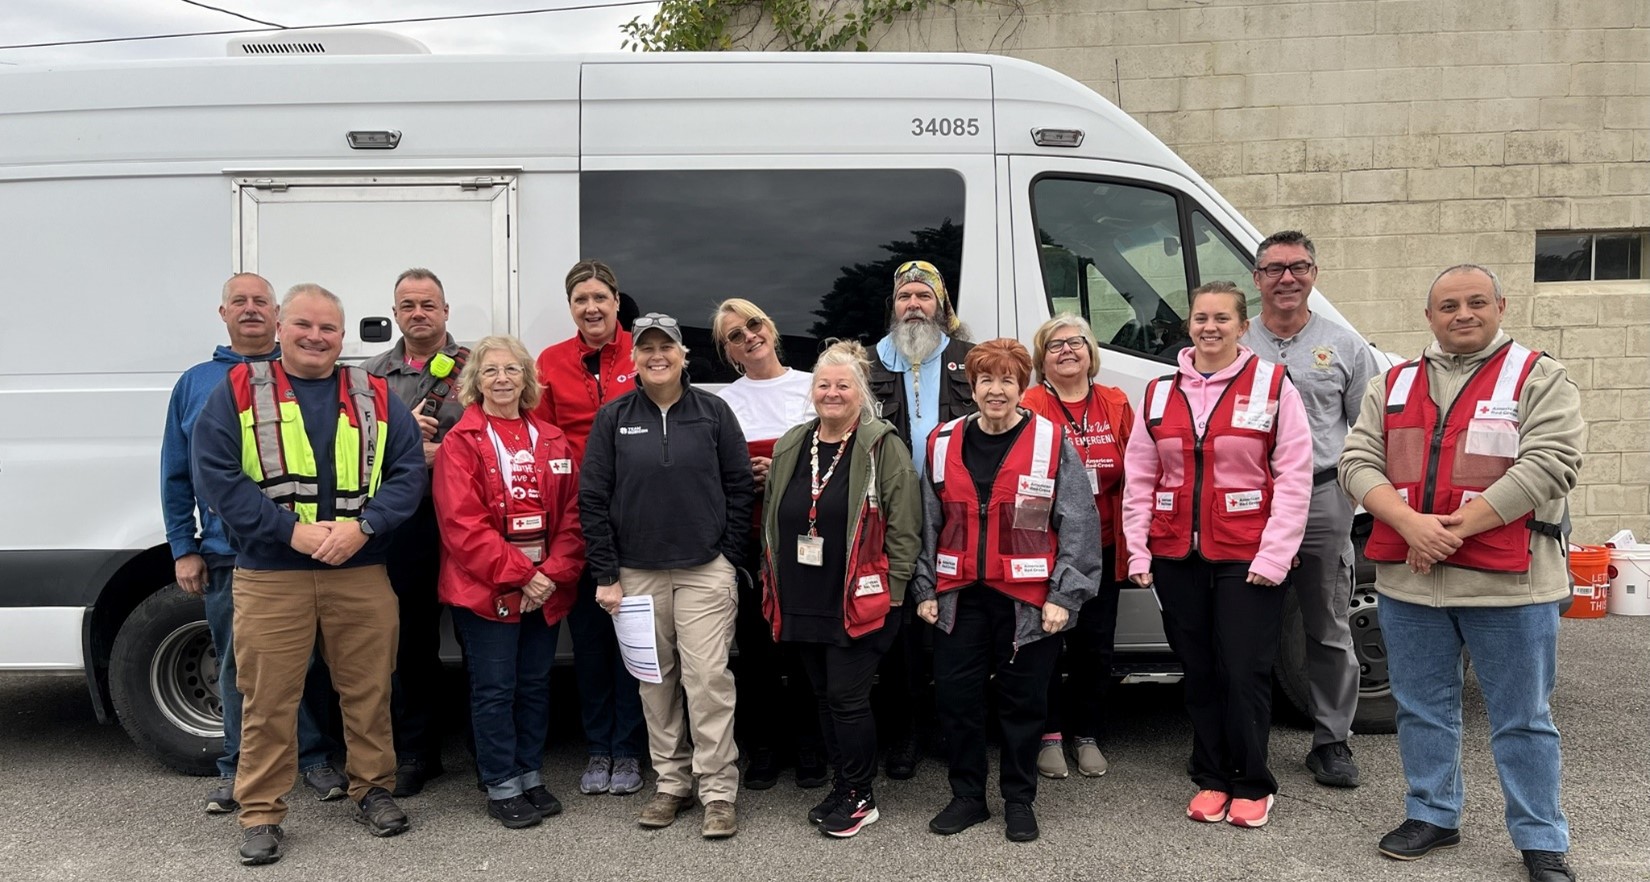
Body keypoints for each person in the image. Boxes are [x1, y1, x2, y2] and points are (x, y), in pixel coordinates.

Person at [1340, 264, 1582, 882]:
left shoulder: (1538, 377)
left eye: (1476, 302)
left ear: (1500, 306)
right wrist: (1411, 524)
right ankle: (1433, 813)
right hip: (1410, 585)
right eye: (1448, 306)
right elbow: (1357, 461)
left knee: (1523, 716)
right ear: (1430, 317)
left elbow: (1550, 464)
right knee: (1421, 707)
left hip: (1510, 586)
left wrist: (1446, 531)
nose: (1462, 314)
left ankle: (1540, 837)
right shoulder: (1392, 384)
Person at [192, 284, 426, 865]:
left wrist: (363, 528)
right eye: (304, 325)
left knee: (369, 689)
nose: (315, 337)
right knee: (267, 698)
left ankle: (373, 789)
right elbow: (216, 476)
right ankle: (262, 812)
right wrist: (288, 531)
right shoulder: (238, 392)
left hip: (360, 567)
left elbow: (407, 475)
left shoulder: (374, 394)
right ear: (280, 327)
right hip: (271, 573)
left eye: (328, 328)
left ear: (342, 337)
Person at [1121, 281, 1312, 830]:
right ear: (1189, 325)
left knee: (1244, 669)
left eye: (1222, 318)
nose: (1210, 327)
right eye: (1201, 317)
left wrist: (1276, 555)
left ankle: (1252, 782)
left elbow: (1295, 475)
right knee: (1199, 669)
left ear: (1242, 325)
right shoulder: (1160, 392)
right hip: (1177, 554)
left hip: (1248, 556)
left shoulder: (1274, 385)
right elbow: (1140, 477)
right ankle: (1210, 775)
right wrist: (1138, 550)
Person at [160, 273, 345, 814]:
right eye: (238, 302)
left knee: (307, 665)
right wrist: (183, 546)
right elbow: (178, 472)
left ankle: (311, 759)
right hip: (228, 551)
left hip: (306, 549)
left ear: (277, 317)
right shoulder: (197, 383)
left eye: (260, 301)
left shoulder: (305, 378)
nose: (250, 310)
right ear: (223, 313)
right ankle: (239, 768)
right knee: (241, 667)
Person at [911, 338, 1101, 843]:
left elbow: (1079, 522)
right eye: (985, 380)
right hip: (958, 596)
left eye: (1007, 380)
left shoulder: (1050, 441)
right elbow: (928, 521)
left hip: (1028, 602)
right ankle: (968, 796)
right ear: (971, 387)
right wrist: (925, 587)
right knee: (956, 700)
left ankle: (1019, 799)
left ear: (1023, 387)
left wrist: (1064, 596)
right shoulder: (942, 440)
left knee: (1023, 704)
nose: (996, 390)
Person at [581, 312, 755, 839]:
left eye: (667, 347)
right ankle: (671, 783)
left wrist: (726, 554)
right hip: (636, 576)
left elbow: (740, 486)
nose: (657, 355)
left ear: (683, 355)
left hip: (705, 572)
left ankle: (718, 791)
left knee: (708, 682)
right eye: (647, 348)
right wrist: (607, 574)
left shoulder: (714, 411)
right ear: (634, 358)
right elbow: (592, 498)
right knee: (655, 684)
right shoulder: (613, 417)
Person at [760, 339, 923, 838]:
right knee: (824, 696)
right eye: (824, 385)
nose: (832, 393)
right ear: (812, 391)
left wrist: (895, 592)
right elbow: (772, 516)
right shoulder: (793, 442)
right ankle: (844, 783)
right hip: (803, 595)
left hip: (861, 597)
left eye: (843, 385)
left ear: (861, 393)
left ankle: (861, 795)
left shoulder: (882, 445)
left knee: (848, 698)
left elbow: (905, 526)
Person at [1239, 231, 1378, 789]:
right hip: (1250, 500)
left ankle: (1331, 742)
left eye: (1298, 267)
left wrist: (1351, 491)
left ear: (1314, 274)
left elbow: (1371, 430)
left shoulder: (1344, 347)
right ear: (1257, 279)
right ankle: (1244, 744)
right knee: (1246, 623)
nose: (1286, 278)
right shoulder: (1235, 341)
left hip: (1322, 495)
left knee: (1325, 622)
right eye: (1274, 269)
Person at [432, 335, 584, 830]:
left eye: (512, 370)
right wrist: (523, 577)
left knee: (535, 686)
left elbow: (574, 518)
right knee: (495, 689)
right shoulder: (461, 442)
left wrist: (549, 576)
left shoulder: (554, 439)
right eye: (491, 370)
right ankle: (500, 782)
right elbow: (462, 525)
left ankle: (530, 774)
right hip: (486, 588)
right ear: (475, 381)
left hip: (544, 584)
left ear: (528, 379)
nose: (502, 379)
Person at [531, 260, 647, 797]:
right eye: (581, 299)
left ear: (618, 301)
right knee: (592, 642)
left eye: (601, 297)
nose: (592, 308)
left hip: (639, 519)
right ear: (570, 306)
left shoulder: (641, 351)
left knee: (633, 642)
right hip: (578, 522)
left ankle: (628, 749)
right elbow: (545, 437)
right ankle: (598, 746)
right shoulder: (551, 361)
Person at [360, 267, 468, 796]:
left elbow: (505, 430)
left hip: (470, 522)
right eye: (408, 305)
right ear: (396, 313)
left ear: (446, 311)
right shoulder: (371, 375)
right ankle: (418, 752)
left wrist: (442, 452)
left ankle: (488, 752)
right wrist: (403, 438)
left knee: (481, 638)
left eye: (429, 304)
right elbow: (354, 450)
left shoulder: (478, 367)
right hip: (407, 524)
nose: (418, 313)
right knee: (411, 643)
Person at [710, 297, 825, 790]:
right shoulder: (723, 402)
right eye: (735, 335)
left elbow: (836, 454)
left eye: (753, 324)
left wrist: (783, 471)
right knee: (756, 651)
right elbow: (709, 470)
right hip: (748, 538)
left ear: (771, 329)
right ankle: (763, 749)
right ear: (729, 352)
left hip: (804, 538)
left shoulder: (810, 388)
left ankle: (810, 747)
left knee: (804, 647)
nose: (748, 336)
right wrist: (743, 474)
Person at [868, 259, 976, 780]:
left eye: (924, 296)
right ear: (893, 305)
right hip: (891, 517)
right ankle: (906, 729)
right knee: (903, 628)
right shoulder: (867, 363)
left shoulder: (969, 359)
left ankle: (949, 725)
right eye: (905, 296)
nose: (914, 305)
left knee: (954, 620)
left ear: (941, 306)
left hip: (956, 513)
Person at [1018, 314, 1133, 780]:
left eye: (1076, 342)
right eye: (1054, 345)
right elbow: (1020, 476)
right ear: (1042, 360)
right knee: (1046, 644)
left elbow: (1135, 472)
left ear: (1091, 352)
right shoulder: (1030, 402)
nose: (1067, 350)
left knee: (1095, 647)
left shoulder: (1116, 402)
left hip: (1101, 547)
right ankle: (1048, 735)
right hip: (1047, 548)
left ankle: (1086, 734)